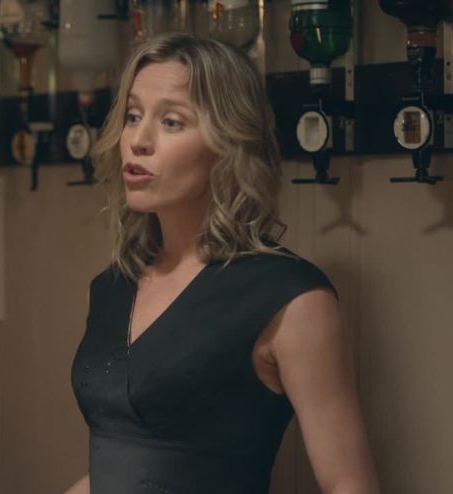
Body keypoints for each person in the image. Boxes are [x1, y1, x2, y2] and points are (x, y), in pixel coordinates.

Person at [66, 33, 380, 494]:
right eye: (133, 116)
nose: (138, 140)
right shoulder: (113, 285)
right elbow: (125, 469)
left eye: (171, 122)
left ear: (229, 144)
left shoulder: (290, 298)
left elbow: (349, 484)